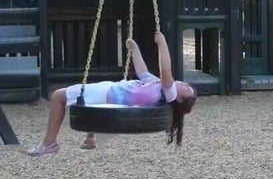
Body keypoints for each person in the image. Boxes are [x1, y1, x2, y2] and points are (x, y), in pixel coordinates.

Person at [28, 31, 197, 156]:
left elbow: (166, 70)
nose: (184, 83)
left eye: (186, 87)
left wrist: (162, 44)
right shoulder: (157, 85)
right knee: (87, 103)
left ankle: (49, 143)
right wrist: (135, 49)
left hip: (107, 96)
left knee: (58, 96)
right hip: (111, 89)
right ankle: (90, 138)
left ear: (179, 98)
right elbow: (143, 72)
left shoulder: (168, 94)